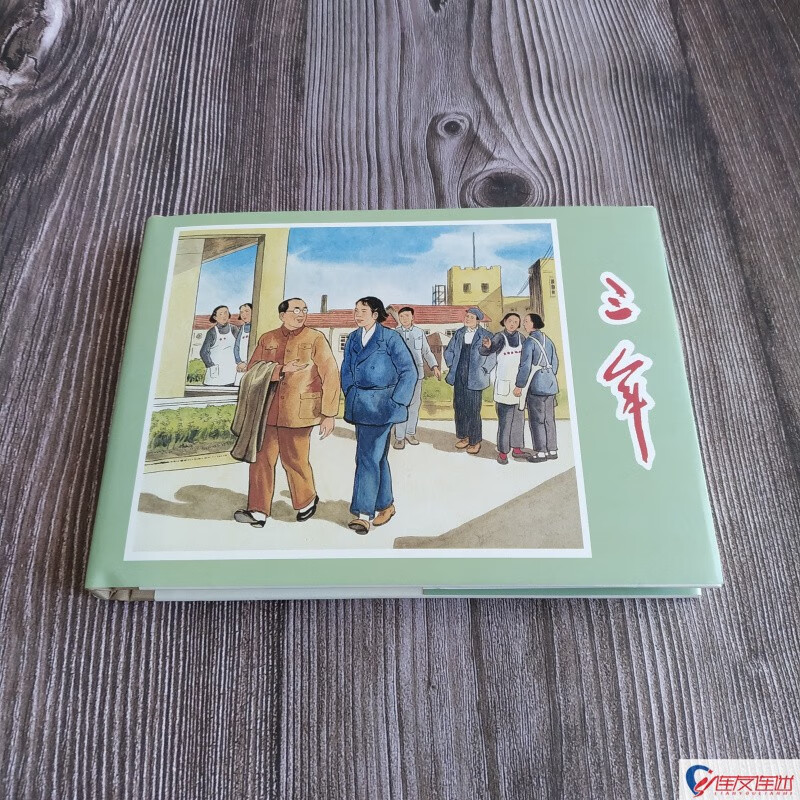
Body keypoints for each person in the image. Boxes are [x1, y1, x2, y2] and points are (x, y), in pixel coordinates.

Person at [233, 297, 340, 526]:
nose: (301, 314)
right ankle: (258, 510)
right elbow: (252, 372)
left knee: (295, 460)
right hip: (267, 410)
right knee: (260, 460)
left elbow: (330, 374)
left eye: (304, 310)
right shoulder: (267, 338)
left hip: (299, 412)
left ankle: (306, 501)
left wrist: (329, 413)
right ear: (282, 315)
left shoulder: (316, 338)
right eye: (296, 310)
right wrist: (280, 370)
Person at [341, 297, 417, 534]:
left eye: (363, 311)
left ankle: (364, 514)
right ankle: (386, 505)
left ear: (375, 315)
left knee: (367, 457)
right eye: (355, 310)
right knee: (375, 457)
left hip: (382, 406)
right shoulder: (353, 338)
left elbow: (409, 371)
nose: (357, 314)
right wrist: (350, 391)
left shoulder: (390, 337)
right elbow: (346, 369)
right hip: (360, 405)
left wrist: (397, 401)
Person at [480, 312, 533, 464]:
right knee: (505, 421)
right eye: (510, 321)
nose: (512, 324)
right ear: (504, 322)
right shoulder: (499, 337)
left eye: (516, 322)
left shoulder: (522, 338)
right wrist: (487, 346)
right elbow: (487, 350)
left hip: (519, 385)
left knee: (519, 419)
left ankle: (517, 449)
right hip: (504, 386)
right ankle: (503, 452)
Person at [442, 307, 496, 455]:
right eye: (467, 316)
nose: (468, 319)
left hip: (475, 377)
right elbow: (449, 351)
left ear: (477, 320)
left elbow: (493, 355)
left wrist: (484, 369)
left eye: (471, 317)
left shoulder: (486, 335)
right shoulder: (459, 333)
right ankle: (464, 436)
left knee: (473, 409)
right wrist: (451, 364)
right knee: (459, 407)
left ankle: (475, 440)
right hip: (459, 374)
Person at [388, 306, 441, 449]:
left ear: (412, 317)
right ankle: (399, 437)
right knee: (401, 404)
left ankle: (410, 433)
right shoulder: (395, 333)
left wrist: (434, 367)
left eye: (407, 316)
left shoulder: (419, 332)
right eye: (401, 316)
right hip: (400, 375)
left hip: (417, 374)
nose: (404, 319)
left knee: (414, 405)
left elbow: (426, 351)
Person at [514, 313, 560, 462]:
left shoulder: (529, 342)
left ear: (534, 323)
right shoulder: (548, 340)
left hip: (536, 385)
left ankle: (541, 452)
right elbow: (555, 363)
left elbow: (525, 366)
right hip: (550, 384)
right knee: (549, 419)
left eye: (526, 321)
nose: (524, 324)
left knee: (537, 420)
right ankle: (552, 450)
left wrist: (519, 385)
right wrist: (548, 376)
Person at [199, 305, 238, 387]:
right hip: (215, 374)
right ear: (215, 317)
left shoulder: (234, 329)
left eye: (226, 313)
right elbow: (204, 352)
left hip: (231, 372)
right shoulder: (212, 332)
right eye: (220, 314)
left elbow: (239, 347)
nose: (224, 316)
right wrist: (211, 365)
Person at [233, 302, 252, 387]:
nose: (244, 314)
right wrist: (239, 362)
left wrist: (248, 363)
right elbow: (236, 346)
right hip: (241, 366)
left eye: (247, 311)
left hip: (251, 365)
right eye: (241, 312)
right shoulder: (242, 328)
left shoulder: (257, 327)